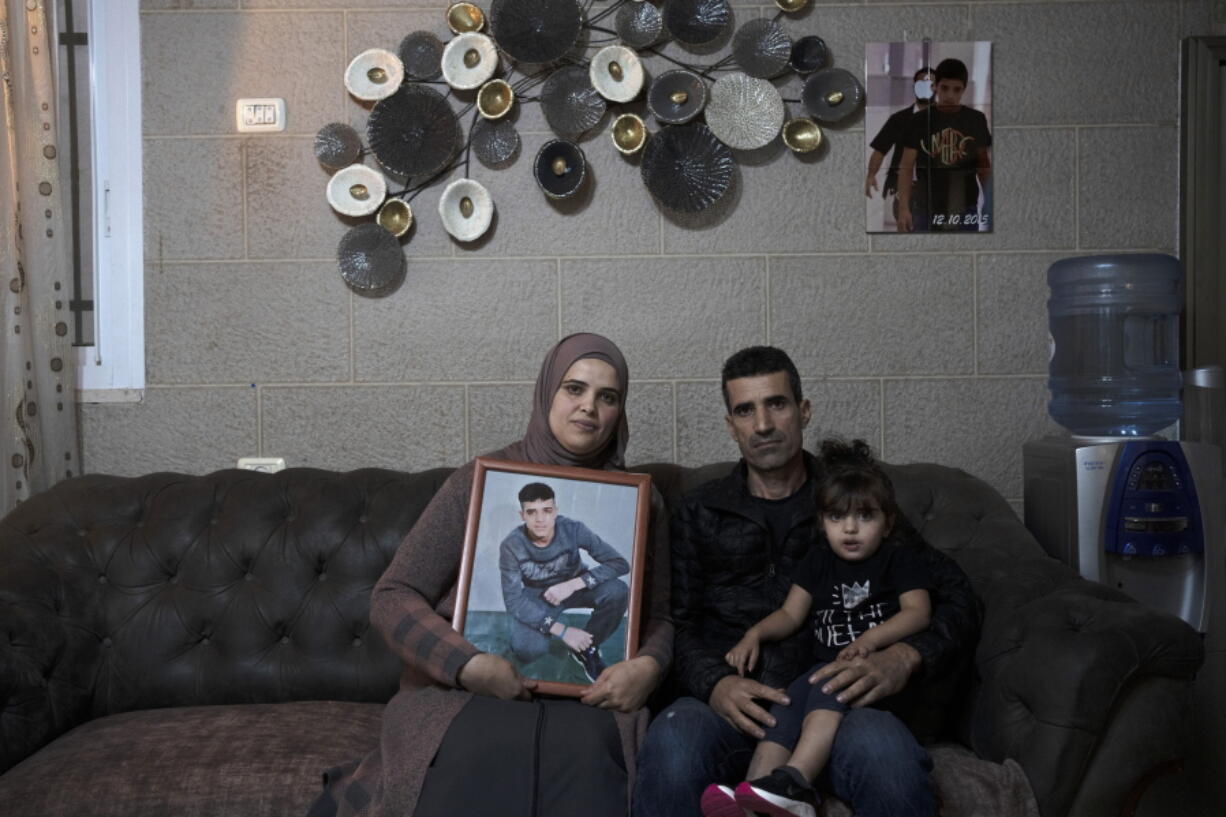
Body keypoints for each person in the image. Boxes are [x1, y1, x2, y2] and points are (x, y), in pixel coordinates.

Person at [308, 333, 672, 817]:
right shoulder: (477, 484)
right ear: (547, 394)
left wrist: (647, 666)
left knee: (589, 768)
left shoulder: (641, 501)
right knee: (477, 756)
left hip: (588, 703)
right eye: (574, 389)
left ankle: (584, 653)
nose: (589, 408)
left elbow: (663, 614)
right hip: (476, 684)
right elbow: (394, 594)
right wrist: (467, 665)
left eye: (608, 397)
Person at [633, 345, 981, 817]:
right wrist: (715, 684)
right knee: (673, 738)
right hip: (729, 709)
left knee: (887, 757)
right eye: (745, 410)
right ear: (730, 425)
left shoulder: (853, 503)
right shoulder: (699, 511)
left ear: (804, 410)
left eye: (776, 404)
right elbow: (679, 620)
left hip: (836, 708)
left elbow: (958, 594)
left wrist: (906, 656)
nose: (762, 425)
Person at [701, 439, 933, 817]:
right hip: (821, 672)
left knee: (827, 684)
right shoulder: (817, 562)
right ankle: (754, 795)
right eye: (837, 518)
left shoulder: (897, 560)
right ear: (823, 523)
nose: (851, 529)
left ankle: (797, 785)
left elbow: (918, 612)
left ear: (888, 523)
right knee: (785, 708)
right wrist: (754, 634)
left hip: (870, 681)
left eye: (866, 516)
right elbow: (791, 615)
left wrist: (871, 640)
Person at [499, 481, 630, 681]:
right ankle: (561, 637)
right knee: (528, 650)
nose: (540, 519)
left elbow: (619, 564)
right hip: (538, 596)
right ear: (522, 515)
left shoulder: (572, 529)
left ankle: (587, 648)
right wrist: (563, 631)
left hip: (576, 586)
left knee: (618, 591)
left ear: (556, 511)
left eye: (547, 510)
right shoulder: (511, 545)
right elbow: (513, 600)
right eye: (532, 512)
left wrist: (573, 584)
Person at [896, 57, 993, 233]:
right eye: (945, 88)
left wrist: (990, 202)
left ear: (964, 90)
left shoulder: (975, 120)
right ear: (935, 87)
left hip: (965, 206)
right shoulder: (919, 120)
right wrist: (903, 208)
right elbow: (906, 166)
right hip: (926, 207)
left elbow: (983, 165)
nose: (950, 95)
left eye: (956, 90)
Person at [864, 66, 935, 226]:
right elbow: (880, 149)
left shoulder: (945, 118)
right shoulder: (900, 119)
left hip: (935, 188)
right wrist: (870, 175)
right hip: (904, 189)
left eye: (930, 84)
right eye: (921, 84)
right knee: (905, 230)